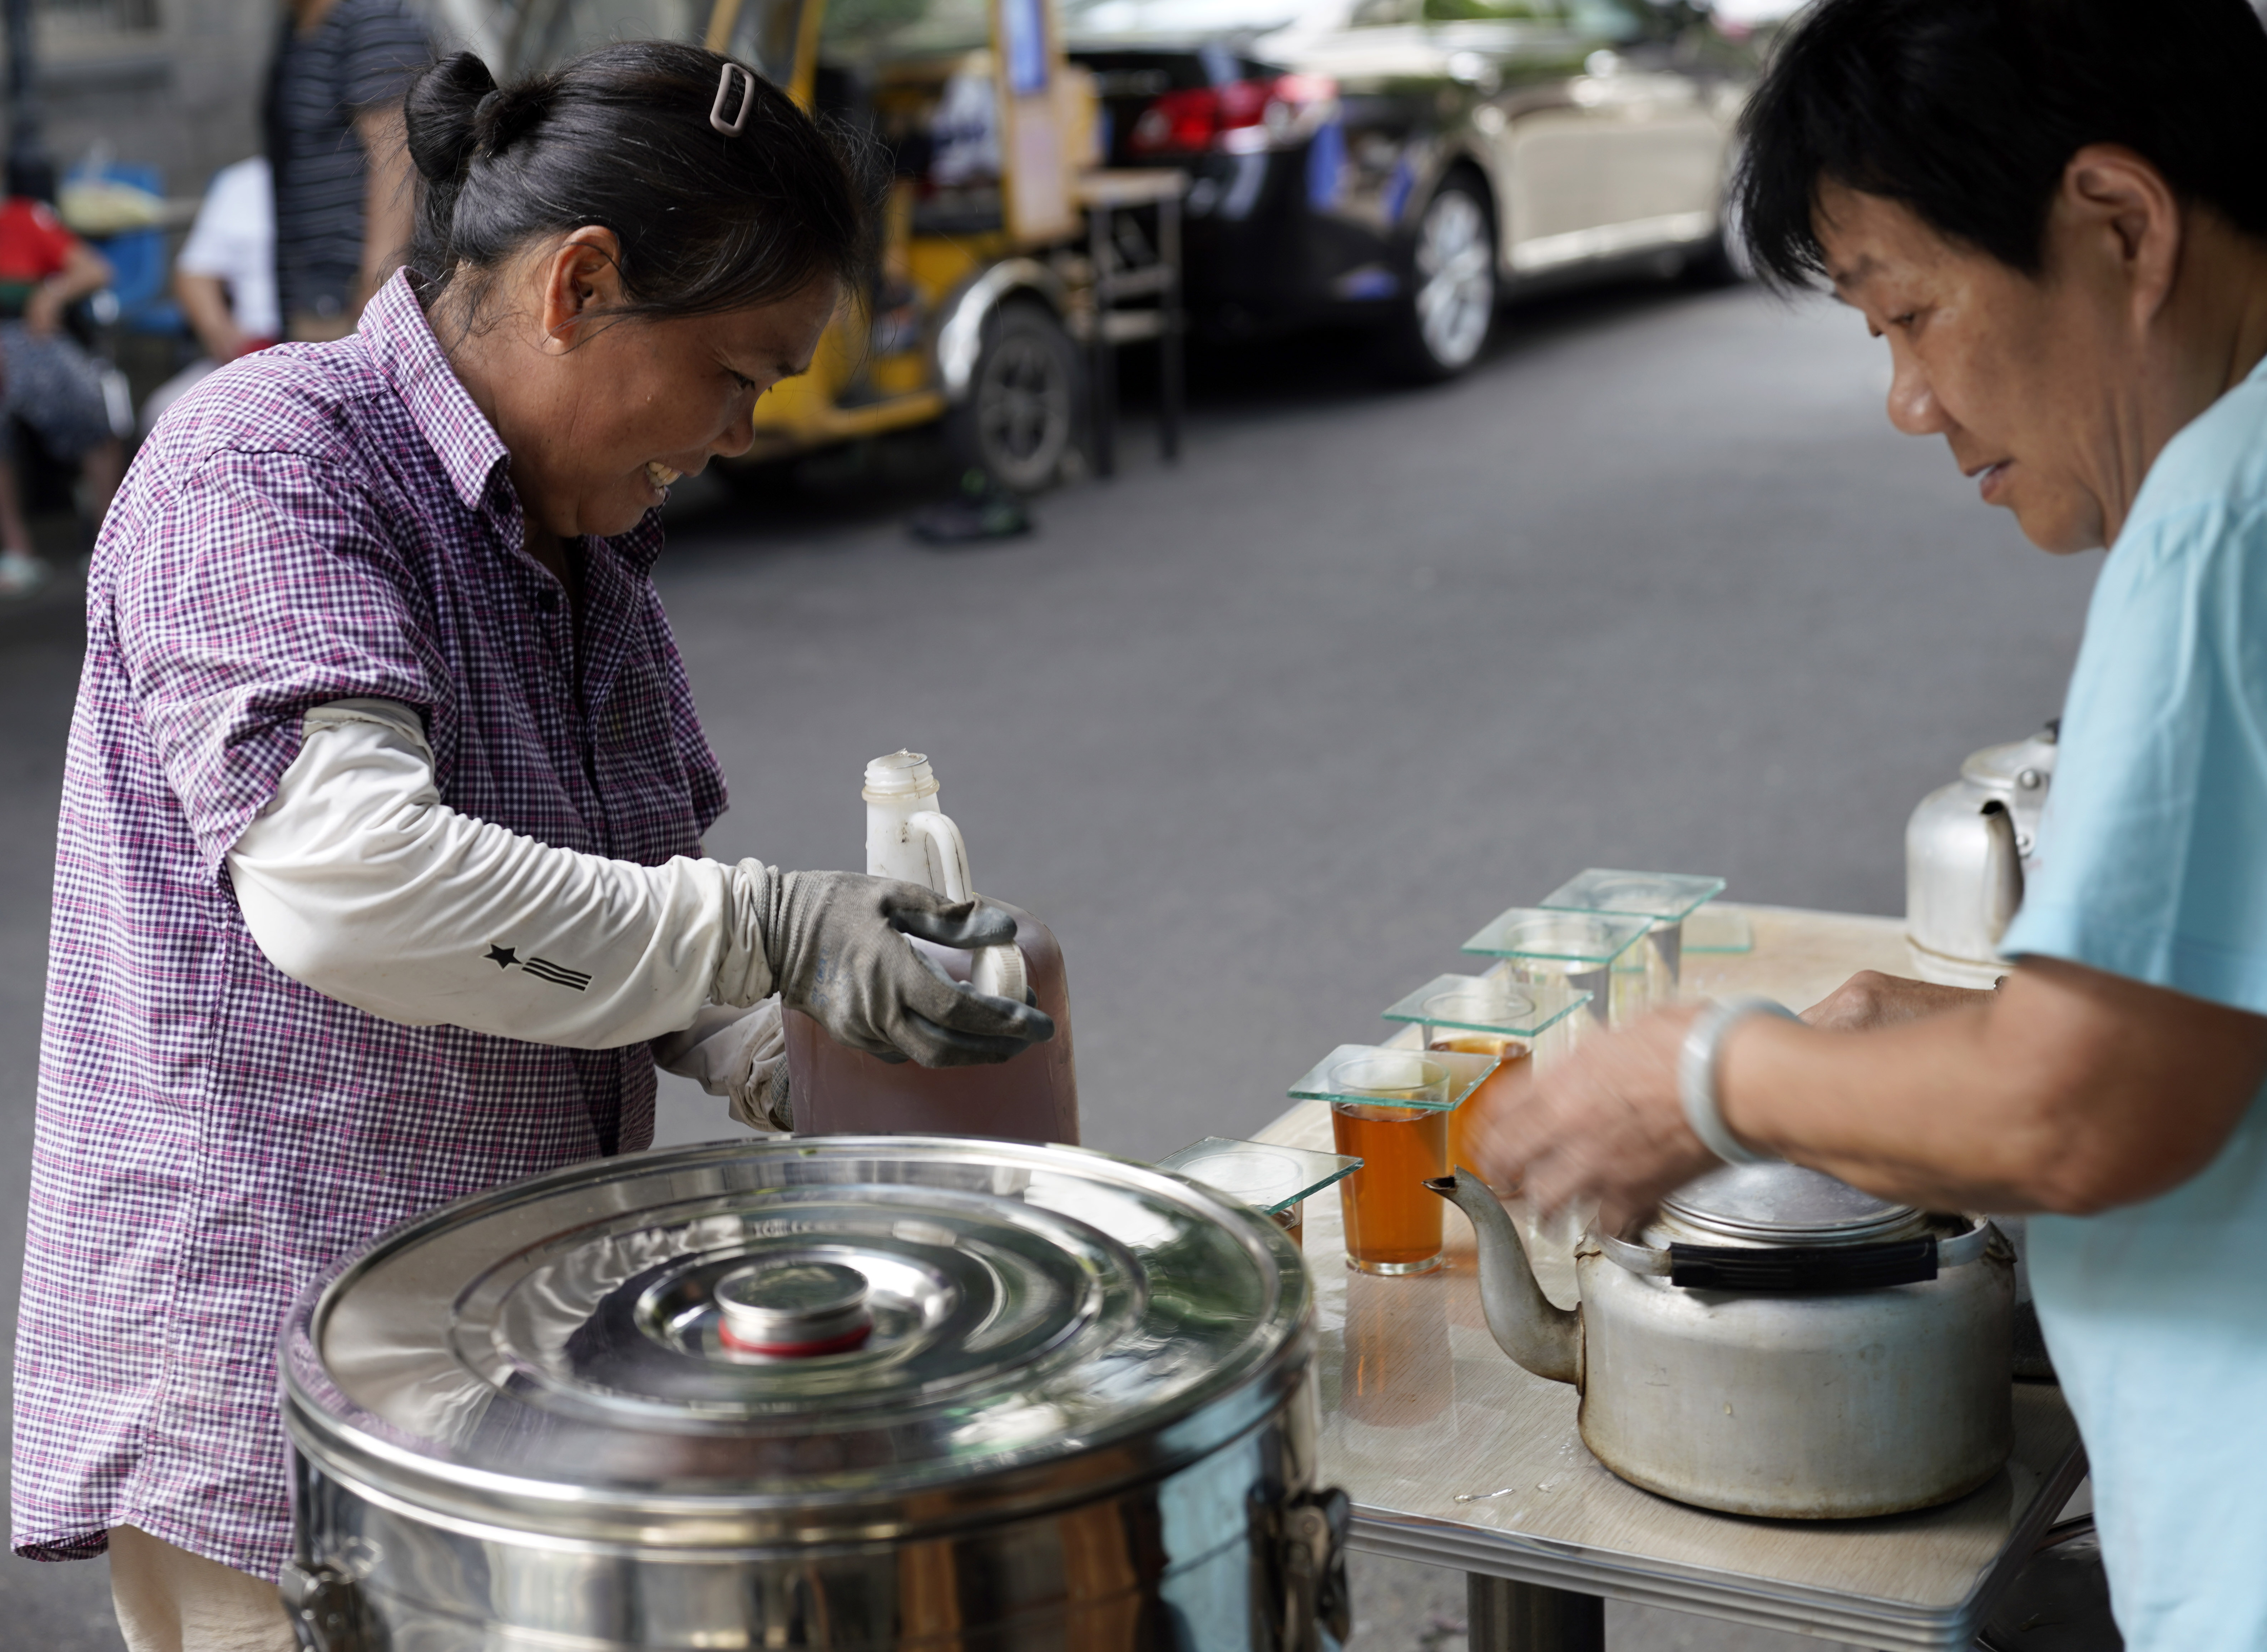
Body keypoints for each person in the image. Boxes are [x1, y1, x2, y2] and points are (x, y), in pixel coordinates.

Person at [10, 41, 1051, 1652]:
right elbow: (351, 888)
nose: (736, 432)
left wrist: (808, 1049)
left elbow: (603, 916)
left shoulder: (581, 538)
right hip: (278, 1382)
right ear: (580, 285)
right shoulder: (267, 459)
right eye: (735, 374)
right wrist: (771, 925)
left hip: (505, 1355)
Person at [1462, 3, 2267, 1648]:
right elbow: (2168, 1058)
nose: (1907, 402)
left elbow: (2083, 1114)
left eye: (1910, 312)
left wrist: (1701, 1077)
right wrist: (1975, 1035)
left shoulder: (2214, 526)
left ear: (2121, 226)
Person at [0, 153, 127, 595]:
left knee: (90, 405)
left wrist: (52, 294)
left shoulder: (23, 219)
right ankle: (16, 548)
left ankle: (110, 538)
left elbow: (94, 268)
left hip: (31, 340)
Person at [265, 0, 430, 341]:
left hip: (350, 293)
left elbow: (398, 160)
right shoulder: (298, 30)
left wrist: (378, 292)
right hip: (312, 281)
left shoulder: (372, 20)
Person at [140, 156, 281, 435]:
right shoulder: (243, 182)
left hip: (342, 352)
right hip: (254, 355)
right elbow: (194, 273)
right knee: (165, 414)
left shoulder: (383, 173)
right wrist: (219, 330)